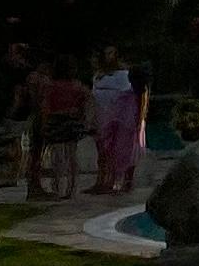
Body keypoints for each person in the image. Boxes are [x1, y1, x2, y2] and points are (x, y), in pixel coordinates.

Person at [88, 45, 144, 195]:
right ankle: (109, 180)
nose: (109, 57)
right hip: (104, 117)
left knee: (125, 148)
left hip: (124, 117)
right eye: (106, 53)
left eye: (111, 53)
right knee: (107, 149)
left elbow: (135, 94)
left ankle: (124, 179)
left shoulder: (126, 74)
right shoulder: (99, 76)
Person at [38, 60, 89, 201]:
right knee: (72, 155)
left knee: (58, 156)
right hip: (71, 120)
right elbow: (85, 101)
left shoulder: (51, 86)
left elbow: (45, 107)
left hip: (56, 119)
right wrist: (82, 117)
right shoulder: (77, 86)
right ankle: (72, 188)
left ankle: (57, 186)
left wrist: (44, 123)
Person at [7, 44, 48, 199]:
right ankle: (34, 187)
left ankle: (34, 186)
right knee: (35, 152)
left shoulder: (28, 76)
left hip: (32, 115)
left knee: (35, 152)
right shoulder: (34, 78)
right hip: (36, 116)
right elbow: (37, 100)